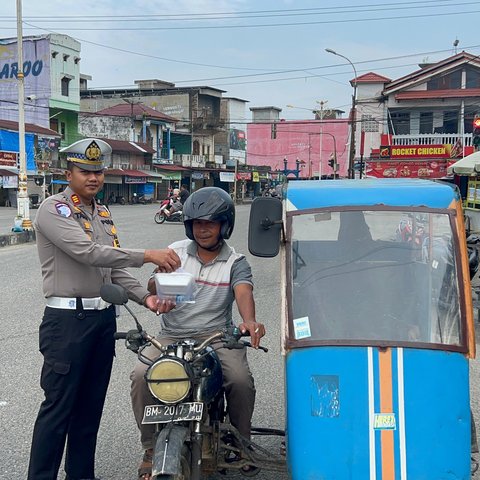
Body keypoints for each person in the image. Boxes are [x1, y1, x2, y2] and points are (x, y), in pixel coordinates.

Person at [27, 138, 181, 480]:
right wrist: (147, 255)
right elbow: (88, 253)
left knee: (88, 411)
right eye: (85, 171)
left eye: (98, 172)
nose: (93, 178)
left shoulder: (101, 213)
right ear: (69, 174)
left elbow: (112, 269)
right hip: (67, 322)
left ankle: (82, 476)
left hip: (100, 321)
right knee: (57, 410)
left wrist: (147, 298)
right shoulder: (55, 209)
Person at [130, 186, 265, 479]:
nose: (203, 230)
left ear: (224, 225)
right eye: (197, 224)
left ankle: (242, 442)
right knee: (141, 376)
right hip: (170, 335)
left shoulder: (235, 262)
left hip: (216, 337)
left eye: (210, 223)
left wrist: (249, 321)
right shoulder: (175, 252)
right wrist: (160, 284)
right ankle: (151, 447)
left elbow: (243, 292)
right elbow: (153, 285)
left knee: (240, 380)